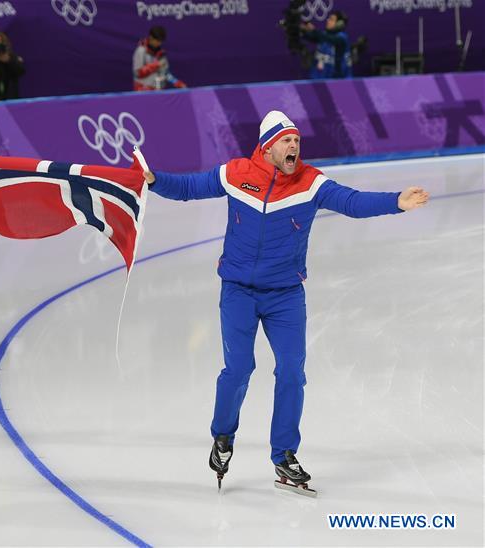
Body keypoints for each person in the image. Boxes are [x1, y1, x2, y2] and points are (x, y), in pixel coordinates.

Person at [143, 110, 428, 493]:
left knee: (292, 370)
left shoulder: (310, 183)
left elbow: (352, 202)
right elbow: (190, 187)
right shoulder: (237, 174)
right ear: (267, 145)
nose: (293, 145)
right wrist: (155, 180)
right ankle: (223, 437)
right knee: (240, 368)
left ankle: (284, 455)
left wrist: (397, 201)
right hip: (239, 291)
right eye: (285, 140)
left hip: (285, 296)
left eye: (296, 139)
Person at [301, 10, 352, 79]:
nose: (328, 20)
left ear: (339, 24)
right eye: (328, 18)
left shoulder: (342, 38)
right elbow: (312, 37)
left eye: (331, 19)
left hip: (339, 81)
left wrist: (314, 30)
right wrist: (301, 30)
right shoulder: (325, 34)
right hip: (318, 80)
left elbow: (330, 39)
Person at [132, 26, 186, 91]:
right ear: (151, 37)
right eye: (157, 41)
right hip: (142, 90)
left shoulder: (161, 53)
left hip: (158, 91)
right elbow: (138, 73)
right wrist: (156, 65)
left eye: (161, 41)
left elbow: (165, 72)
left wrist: (177, 82)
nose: (159, 43)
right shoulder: (140, 51)